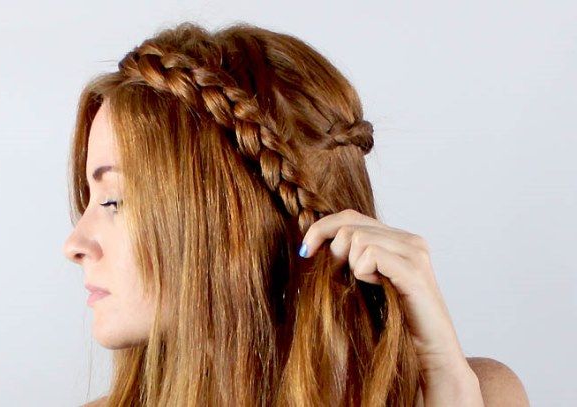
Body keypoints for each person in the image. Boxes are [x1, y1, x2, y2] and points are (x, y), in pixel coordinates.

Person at [63, 21, 529, 406]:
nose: (74, 244)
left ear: (237, 220)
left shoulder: (477, 395)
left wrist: (448, 381)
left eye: (114, 201)